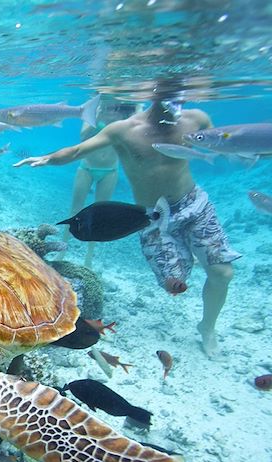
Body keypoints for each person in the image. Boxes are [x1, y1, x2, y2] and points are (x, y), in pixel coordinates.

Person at [14, 89, 241, 357]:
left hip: (194, 204)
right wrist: (49, 158)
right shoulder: (123, 129)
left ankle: (207, 327)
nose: (174, 99)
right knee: (173, 283)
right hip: (151, 216)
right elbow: (78, 150)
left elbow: (219, 142)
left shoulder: (197, 119)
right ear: (150, 94)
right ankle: (181, 270)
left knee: (222, 273)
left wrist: (260, 148)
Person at [58, 99, 139, 267]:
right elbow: (83, 137)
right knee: (75, 210)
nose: (111, 108)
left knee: (100, 214)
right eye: (107, 104)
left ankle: (89, 259)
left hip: (110, 171)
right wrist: (99, 115)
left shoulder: (125, 117)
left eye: (114, 105)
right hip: (86, 168)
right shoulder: (92, 113)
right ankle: (61, 251)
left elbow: (137, 123)